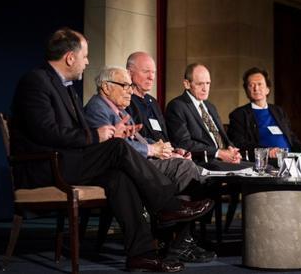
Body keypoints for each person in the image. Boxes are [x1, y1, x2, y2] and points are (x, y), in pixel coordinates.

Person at [10, 27, 213, 272]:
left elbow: (79, 131)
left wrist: (115, 131)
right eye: (85, 56)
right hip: (45, 165)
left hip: (70, 161)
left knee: (120, 178)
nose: (87, 62)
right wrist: (97, 135)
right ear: (70, 57)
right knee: (116, 149)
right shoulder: (36, 81)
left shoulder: (67, 88)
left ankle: (141, 253)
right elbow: (46, 132)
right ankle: (167, 205)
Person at [84, 65, 216, 263]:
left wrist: (166, 148)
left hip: (141, 161)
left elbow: (136, 140)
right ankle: (176, 236)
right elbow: (114, 148)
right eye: (125, 85)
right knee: (185, 168)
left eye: (130, 86)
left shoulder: (118, 110)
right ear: (106, 87)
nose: (129, 90)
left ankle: (176, 237)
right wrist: (152, 151)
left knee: (185, 165)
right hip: (125, 167)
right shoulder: (97, 108)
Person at [165, 63, 244, 169]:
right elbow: (183, 143)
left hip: (223, 160)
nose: (205, 89)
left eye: (208, 83)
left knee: (266, 169)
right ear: (187, 84)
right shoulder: (177, 106)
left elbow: (221, 135)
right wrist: (218, 153)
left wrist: (232, 150)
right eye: (200, 84)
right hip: (203, 162)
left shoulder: (210, 106)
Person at [228, 67, 301, 160]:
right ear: (246, 91)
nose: (256, 88)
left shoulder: (279, 111)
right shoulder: (239, 115)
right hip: (264, 161)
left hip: (289, 158)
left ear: (267, 89)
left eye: (260, 84)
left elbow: (291, 137)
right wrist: (266, 151)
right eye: (251, 85)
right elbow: (239, 143)